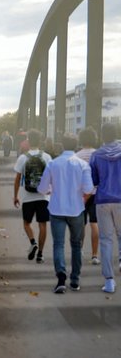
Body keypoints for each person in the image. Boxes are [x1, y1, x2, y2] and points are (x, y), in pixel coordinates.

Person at [37, 134, 93, 293]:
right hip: (76, 210)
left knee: (58, 244)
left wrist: (50, 189)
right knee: (76, 245)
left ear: (62, 145)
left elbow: (42, 189)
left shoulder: (53, 164)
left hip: (56, 210)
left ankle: (61, 278)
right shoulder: (83, 165)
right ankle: (75, 280)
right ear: (77, 146)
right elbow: (88, 189)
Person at [90, 123, 121, 294]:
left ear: (102, 136)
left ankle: (109, 281)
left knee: (106, 240)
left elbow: (94, 180)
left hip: (102, 200)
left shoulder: (96, 155)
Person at [13, 129, 52, 263]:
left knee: (26, 223)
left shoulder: (23, 158)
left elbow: (17, 179)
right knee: (43, 225)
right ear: (40, 141)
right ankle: (40, 253)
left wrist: (15, 196)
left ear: (28, 141)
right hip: (44, 196)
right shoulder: (47, 157)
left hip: (27, 196)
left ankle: (33, 242)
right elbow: (51, 177)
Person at [75, 127, 100, 265]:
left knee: (81, 224)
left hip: (82, 194)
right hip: (96, 193)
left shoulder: (77, 156)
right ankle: (95, 255)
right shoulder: (97, 154)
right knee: (94, 223)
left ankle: (79, 251)